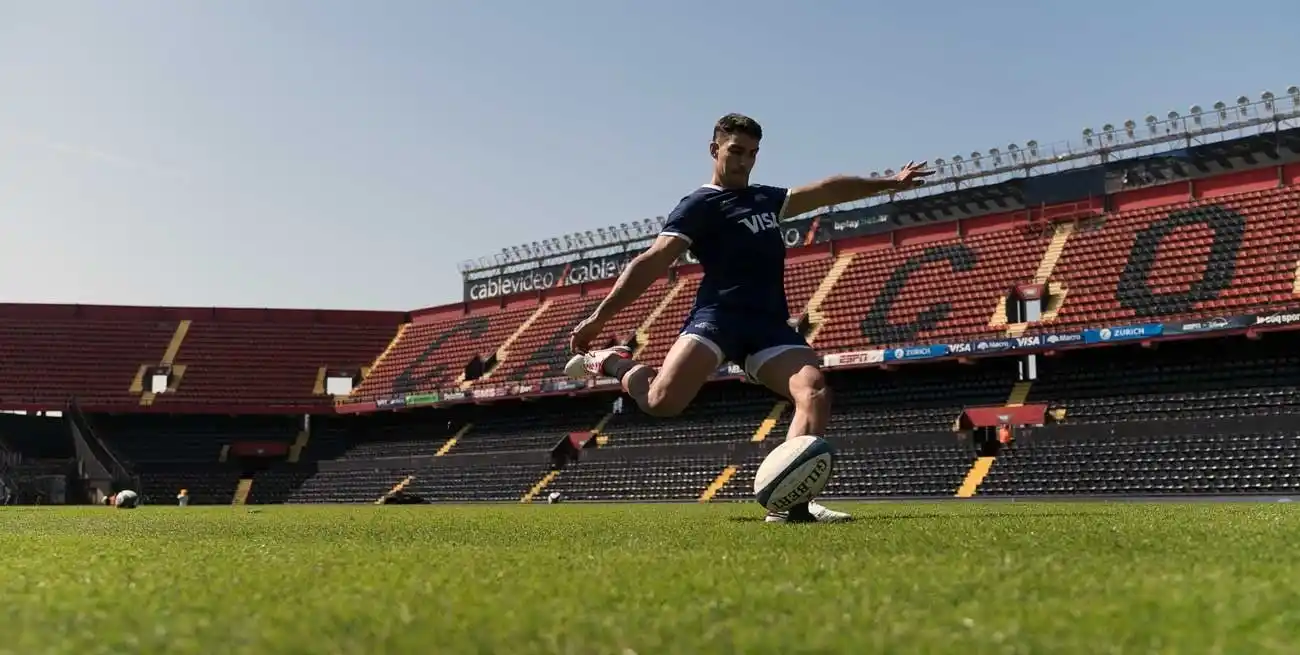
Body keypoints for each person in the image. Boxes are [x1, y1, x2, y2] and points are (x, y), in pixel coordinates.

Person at [566, 113, 933, 523]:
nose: (745, 161)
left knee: (813, 390)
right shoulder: (698, 205)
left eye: (753, 153)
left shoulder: (766, 199)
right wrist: (598, 319)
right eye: (736, 151)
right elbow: (652, 261)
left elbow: (827, 189)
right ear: (714, 149)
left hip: (768, 325)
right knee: (660, 402)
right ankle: (613, 361)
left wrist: (890, 184)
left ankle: (791, 505)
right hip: (718, 318)